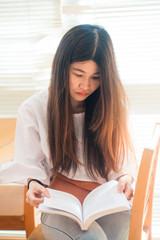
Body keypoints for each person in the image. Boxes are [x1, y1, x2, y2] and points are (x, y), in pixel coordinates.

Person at [0, 24, 137, 240]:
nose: (85, 85)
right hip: (60, 203)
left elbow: (123, 162)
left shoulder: (114, 107)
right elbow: (30, 165)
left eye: (96, 77)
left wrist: (126, 178)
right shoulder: (34, 108)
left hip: (104, 201)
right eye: (78, 74)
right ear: (62, 67)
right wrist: (34, 184)